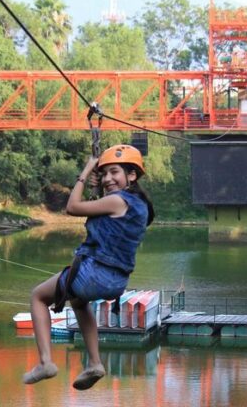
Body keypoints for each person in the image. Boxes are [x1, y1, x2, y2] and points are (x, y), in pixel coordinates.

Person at [22, 144, 155, 390]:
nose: (108, 179)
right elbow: (107, 222)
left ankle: (45, 362)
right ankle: (94, 363)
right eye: (104, 174)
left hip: (93, 275)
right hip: (117, 282)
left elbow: (72, 207)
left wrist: (85, 171)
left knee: (38, 296)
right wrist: (97, 187)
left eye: (114, 172)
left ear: (132, 175)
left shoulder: (117, 201)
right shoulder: (140, 206)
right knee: (79, 302)